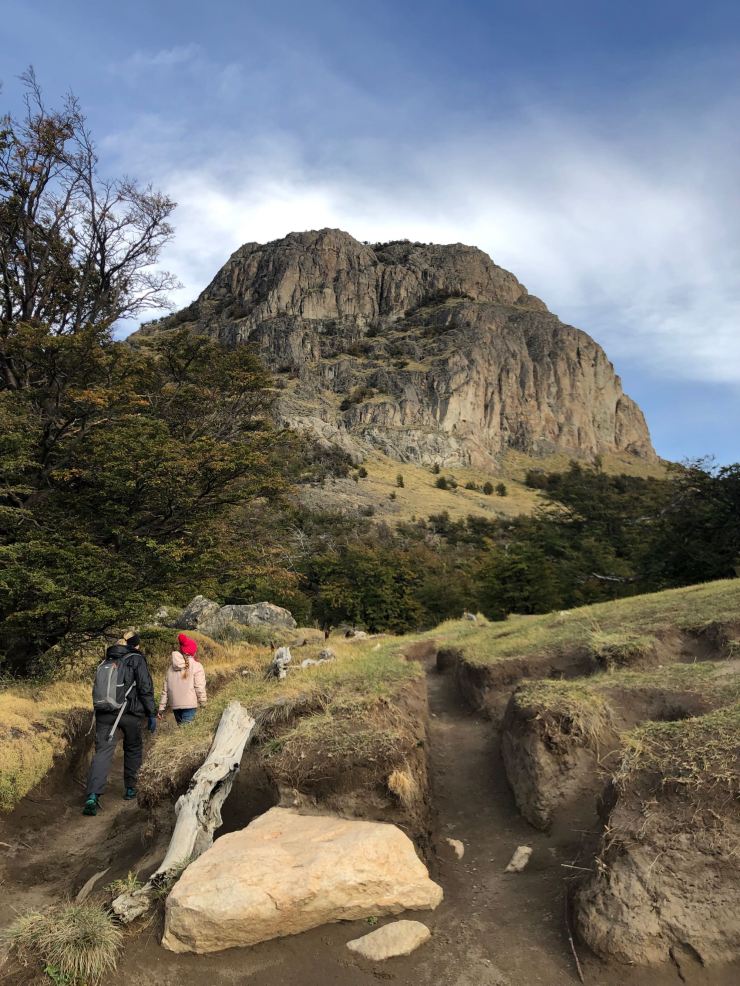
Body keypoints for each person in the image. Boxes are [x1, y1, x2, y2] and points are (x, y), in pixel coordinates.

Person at [83, 631, 157, 816]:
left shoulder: (106, 661)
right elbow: (145, 687)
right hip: (130, 713)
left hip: (105, 713)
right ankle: (131, 788)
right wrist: (151, 713)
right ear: (134, 645)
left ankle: (92, 795)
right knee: (133, 748)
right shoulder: (136, 659)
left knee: (103, 752)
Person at [158, 633, 207, 725]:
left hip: (175, 706)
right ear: (193, 651)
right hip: (190, 705)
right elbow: (199, 686)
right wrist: (203, 702)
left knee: (182, 729)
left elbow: (165, 691)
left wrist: (161, 708)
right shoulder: (197, 666)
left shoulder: (170, 668)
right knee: (187, 733)